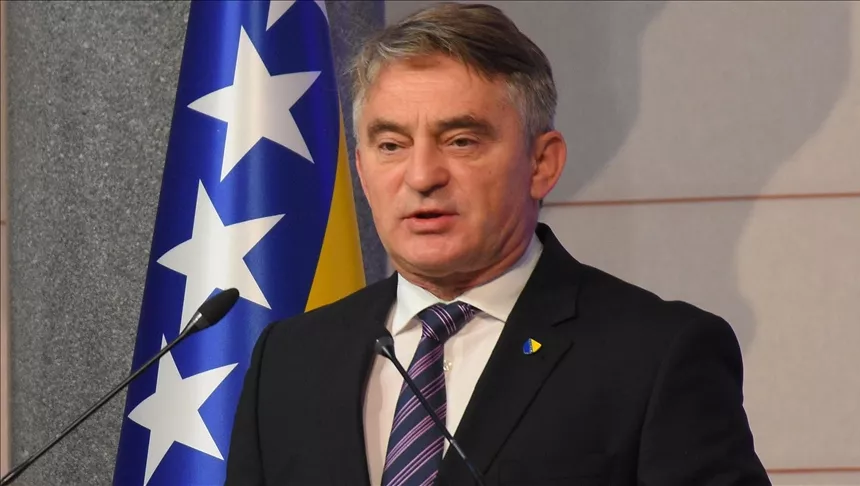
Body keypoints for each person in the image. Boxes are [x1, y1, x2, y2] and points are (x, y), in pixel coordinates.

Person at [225, 3, 770, 485]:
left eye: (461, 141)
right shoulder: (290, 361)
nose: (422, 176)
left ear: (541, 163)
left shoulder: (655, 356)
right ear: (363, 172)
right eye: (391, 145)